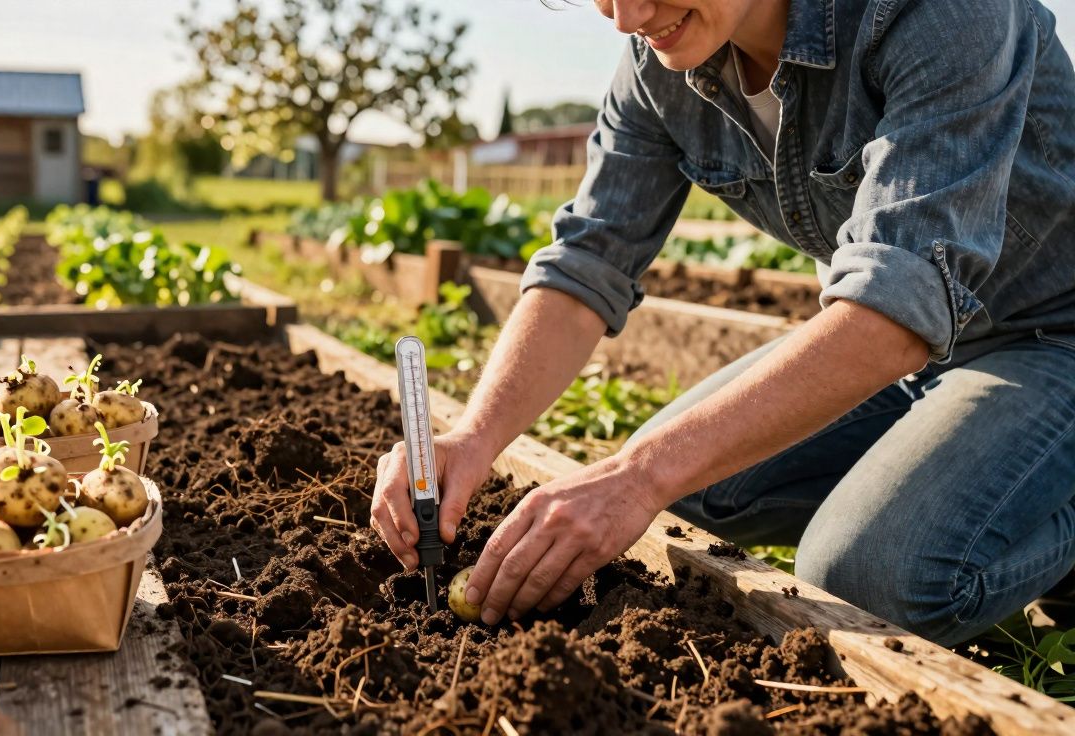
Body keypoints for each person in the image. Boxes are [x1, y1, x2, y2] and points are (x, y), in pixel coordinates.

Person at [369, 0, 1075, 647]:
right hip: (913, 356)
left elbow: (899, 302)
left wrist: (638, 475)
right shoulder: (662, 60)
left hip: (1049, 338)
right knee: (690, 494)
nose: (627, 18)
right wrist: (474, 435)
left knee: (869, 577)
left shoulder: (941, 13)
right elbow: (589, 261)